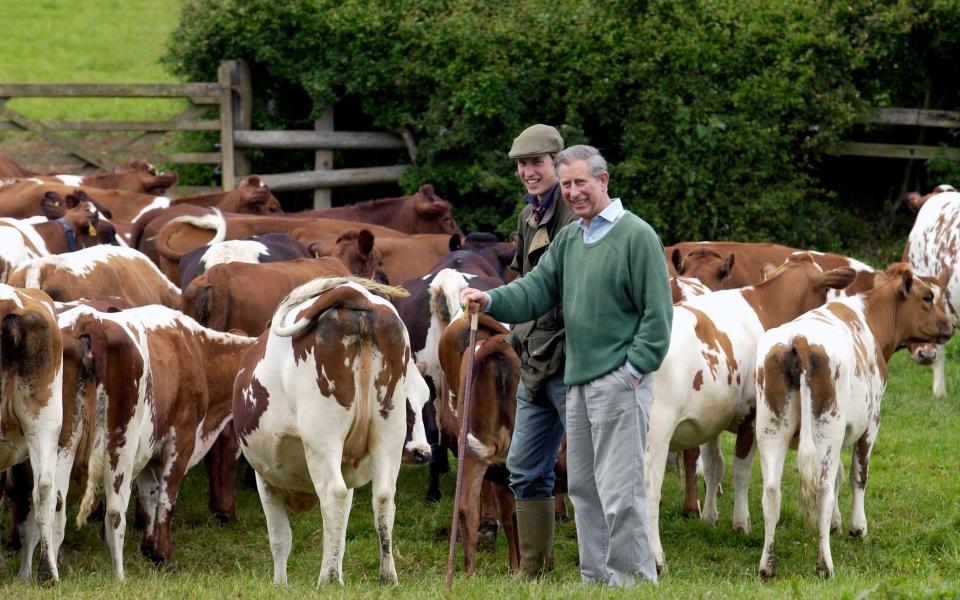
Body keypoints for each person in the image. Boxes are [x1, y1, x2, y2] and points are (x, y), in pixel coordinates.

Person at [460, 144, 673, 586]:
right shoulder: (572, 238)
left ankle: (632, 582)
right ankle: (596, 579)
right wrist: (492, 299)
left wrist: (634, 370)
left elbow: (658, 316)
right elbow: (536, 288)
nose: (575, 192)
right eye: (569, 183)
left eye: (582, 182)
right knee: (583, 489)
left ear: (603, 181)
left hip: (619, 380)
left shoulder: (637, 236)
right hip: (576, 379)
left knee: (621, 488)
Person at [504, 124, 577, 578]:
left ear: (557, 162)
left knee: (588, 475)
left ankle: (604, 571)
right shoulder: (528, 215)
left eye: (537, 163)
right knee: (525, 468)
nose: (528, 172)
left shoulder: (575, 212)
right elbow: (521, 278)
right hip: (534, 361)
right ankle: (535, 572)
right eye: (522, 165)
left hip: (571, 360)